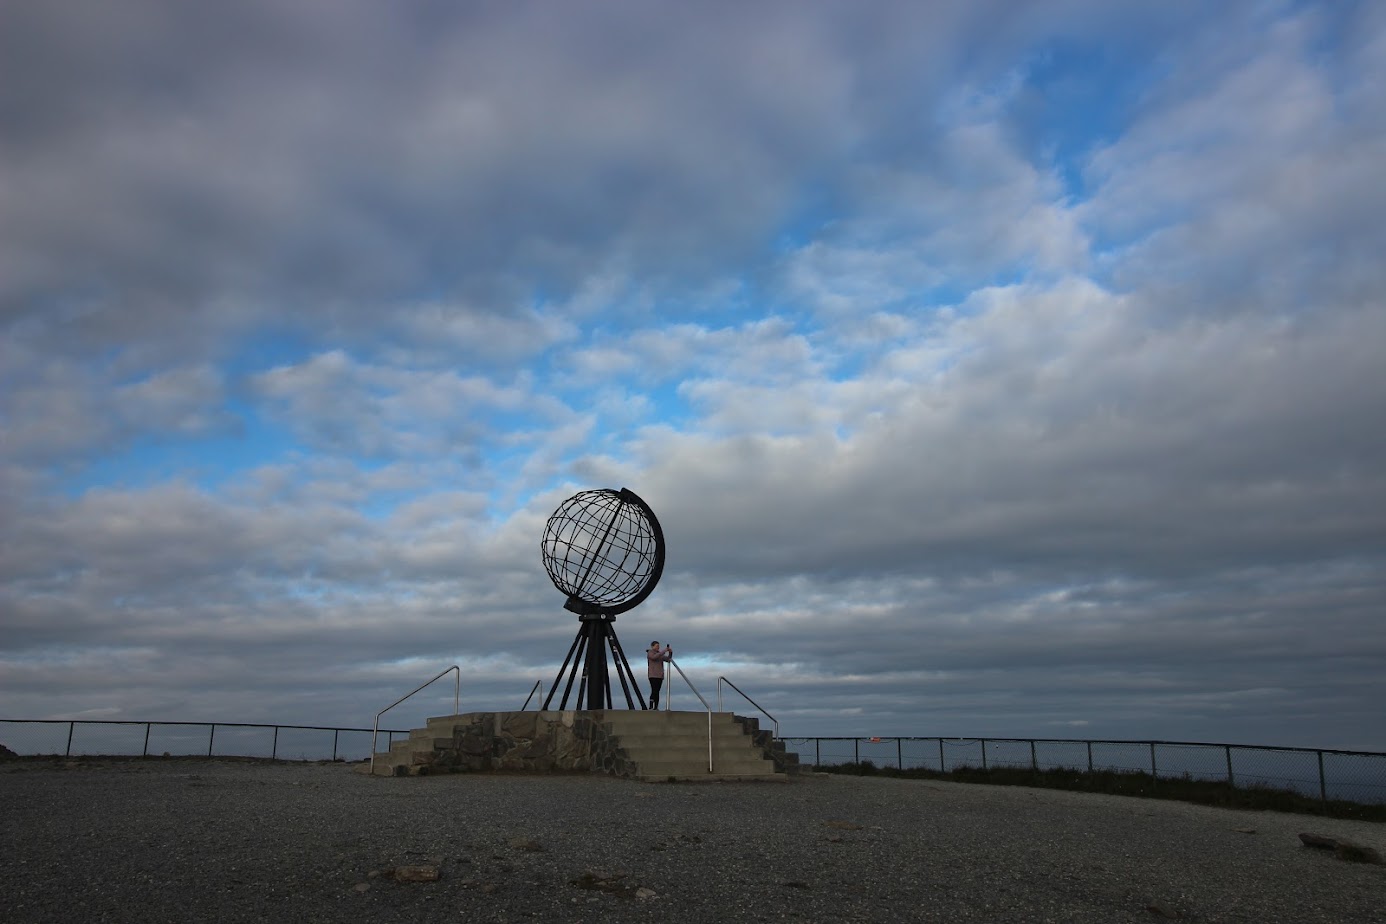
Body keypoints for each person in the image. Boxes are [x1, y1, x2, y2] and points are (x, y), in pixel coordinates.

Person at [646, 640, 672, 710]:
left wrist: (670, 652)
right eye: (657, 646)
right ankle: (651, 706)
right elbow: (654, 657)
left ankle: (656, 707)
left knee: (657, 691)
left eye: (658, 646)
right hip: (653, 675)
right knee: (654, 690)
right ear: (652, 646)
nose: (658, 647)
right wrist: (664, 651)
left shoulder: (660, 654)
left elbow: (668, 659)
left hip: (659, 676)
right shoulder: (650, 653)